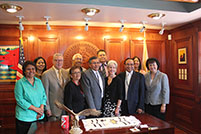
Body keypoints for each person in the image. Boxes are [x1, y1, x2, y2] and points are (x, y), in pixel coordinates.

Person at [14, 61, 47, 134]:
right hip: (25, 118)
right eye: (28, 69)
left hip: (39, 116)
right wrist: (36, 109)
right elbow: (20, 100)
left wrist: (41, 109)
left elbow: (44, 96)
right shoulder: (20, 83)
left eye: (33, 69)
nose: (31, 71)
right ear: (24, 71)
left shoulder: (39, 81)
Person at [41, 53, 69, 121]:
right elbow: (45, 93)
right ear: (53, 61)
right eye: (56, 60)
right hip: (53, 109)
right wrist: (47, 108)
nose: (59, 62)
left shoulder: (66, 73)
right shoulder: (46, 74)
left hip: (65, 109)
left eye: (60, 60)